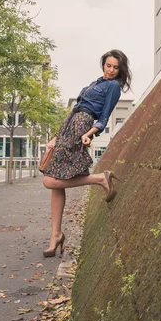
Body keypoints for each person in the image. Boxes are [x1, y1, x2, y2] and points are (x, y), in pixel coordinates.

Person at [41, 49, 131, 257]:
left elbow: (103, 117)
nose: (110, 70)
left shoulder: (112, 87)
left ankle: (100, 178)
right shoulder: (96, 82)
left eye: (115, 67)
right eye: (108, 65)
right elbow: (74, 110)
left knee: (49, 181)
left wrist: (89, 134)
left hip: (82, 126)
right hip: (69, 126)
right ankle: (55, 235)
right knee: (56, 180)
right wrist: (56, 136)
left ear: (120, 70)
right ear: (103, 65)